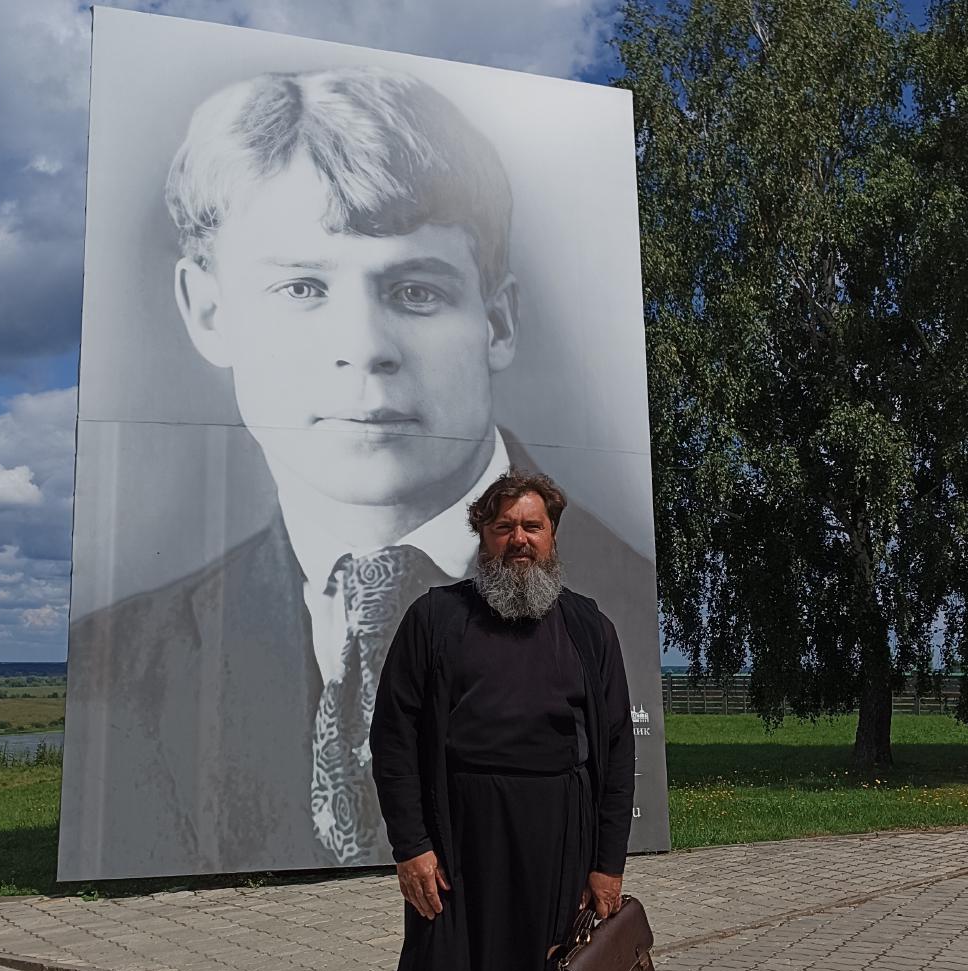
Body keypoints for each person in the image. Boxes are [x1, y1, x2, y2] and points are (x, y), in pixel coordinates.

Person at [63, 65, 659, 880]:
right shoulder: (121, 661)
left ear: (497, 319)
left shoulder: (613, 605)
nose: (364, 347)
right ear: (209, 311)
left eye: (416, 290)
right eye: (302, 285)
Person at [354, 470, 635, 971]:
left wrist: (606, 864)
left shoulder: (587, 629)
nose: (520, 539)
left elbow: (617, 752)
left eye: (534, 526)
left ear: (554, 537)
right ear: (482, 535)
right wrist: (412, 847)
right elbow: (395, 739)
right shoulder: (437, 620)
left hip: (556, 856)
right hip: (457, 857)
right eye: (505, 526)